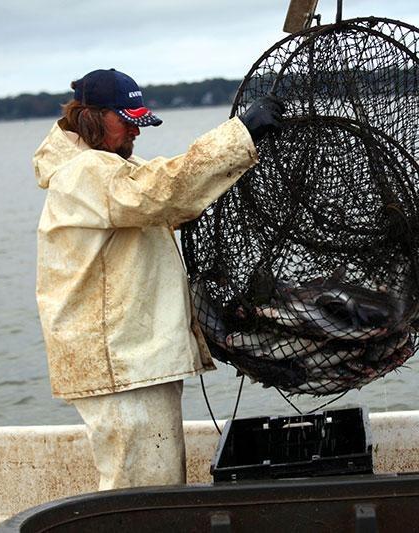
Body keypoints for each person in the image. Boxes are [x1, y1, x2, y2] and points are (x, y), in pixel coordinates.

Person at [33, 68, 282, 490]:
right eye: (126, 119)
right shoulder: (85, 172)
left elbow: (170, 194)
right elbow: (162, 189)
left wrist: (226, 168)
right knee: (141, 490)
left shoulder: (107, 170)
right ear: (92, 117)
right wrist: (241, 135)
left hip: (129, 359)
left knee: (153, 484)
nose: (136, 130)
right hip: (120, 363)